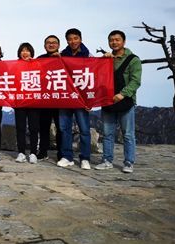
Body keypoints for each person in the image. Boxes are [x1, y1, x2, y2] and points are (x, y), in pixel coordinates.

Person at [95, 30, 142, 173]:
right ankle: (107, 160)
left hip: (125, 102)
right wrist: (103, 61)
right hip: (107, 101)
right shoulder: (106, 59)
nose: (114, 42)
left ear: (124, 41)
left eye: (117, 40)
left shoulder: (133, 59)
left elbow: (135, 81)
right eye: (111, 40)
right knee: (107, 133)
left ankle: (129, 162)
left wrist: (122, 94)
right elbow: (97, 77)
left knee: (128, 134)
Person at [57, 28, 92, 170]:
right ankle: (67, 157)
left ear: (81, 39)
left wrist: (91, 100)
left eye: (75, 38)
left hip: (82, 99)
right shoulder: (61, 55)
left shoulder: (88, 55)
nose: (73, 41)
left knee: (84, 129)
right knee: (64, 128)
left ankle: (85, 158)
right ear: (67, 41)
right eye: (70, 39)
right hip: (66, 98)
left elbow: (94, 77)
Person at [14, 43, 41, 164]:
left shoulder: (37, 64)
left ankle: (33, 153)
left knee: (34, 128)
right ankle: (21, 152)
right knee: (20, 127)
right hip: (19, 101)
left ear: (31, 52)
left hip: (33, 101)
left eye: (27, 50)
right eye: (23, 50)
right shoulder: (15, 65)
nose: (25, 53)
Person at [37, 35, 62, 161]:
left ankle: (62, 153)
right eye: (48, 43)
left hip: (61, 99)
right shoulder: (39, 59)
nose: (51, 45)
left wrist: (61, 59)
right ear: (44, 46)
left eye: (54, 42)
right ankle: (43, 151)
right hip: (45, 99)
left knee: (61, 128)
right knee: (43, 127)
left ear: (58, 45)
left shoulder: (65, 59)